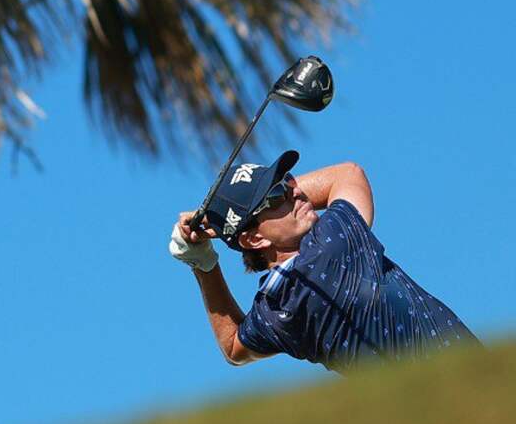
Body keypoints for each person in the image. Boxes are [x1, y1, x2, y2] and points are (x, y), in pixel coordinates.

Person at [170, 151, 479, 373]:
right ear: (254, 240)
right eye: (277, 196)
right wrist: (225, 222)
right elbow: (348, 174)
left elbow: (233, 347)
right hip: (476, 384)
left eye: (288, 181)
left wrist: (203, 262)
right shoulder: (333, 243)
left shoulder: (273, 313)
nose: (298, 192)